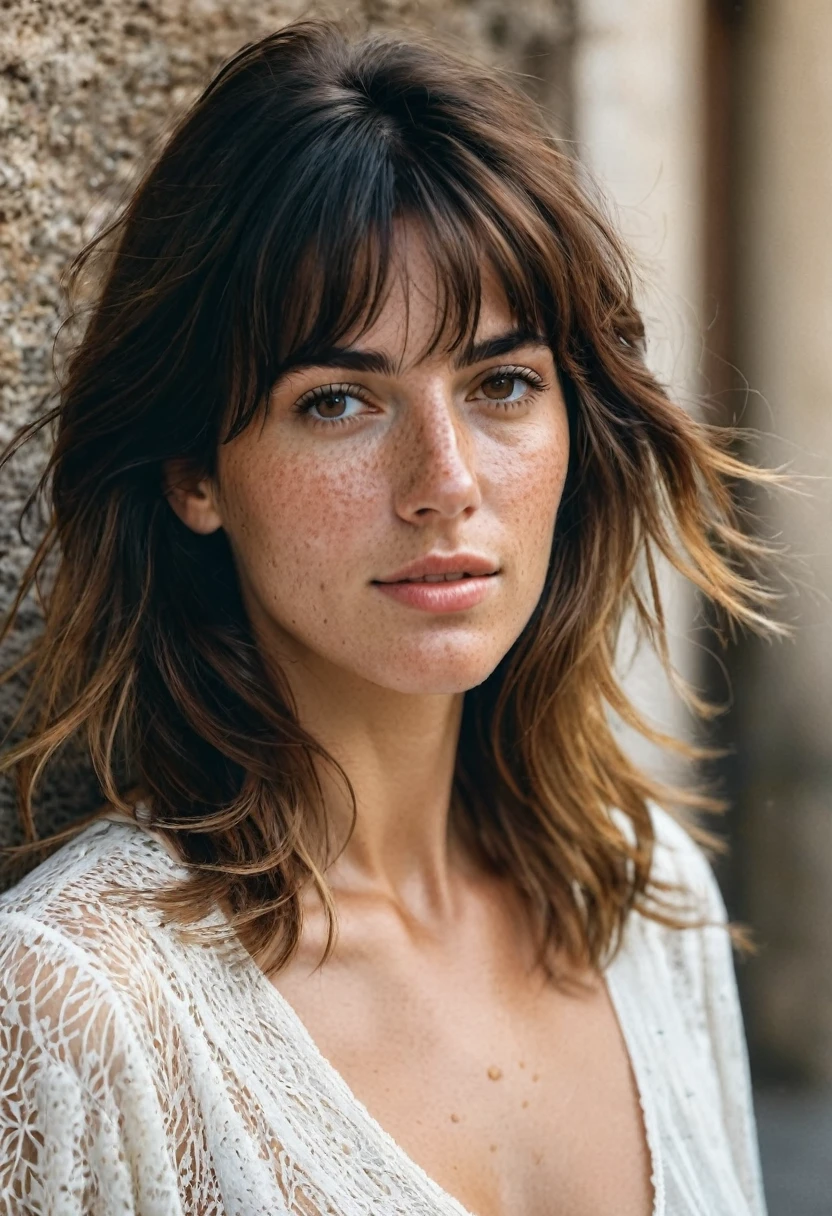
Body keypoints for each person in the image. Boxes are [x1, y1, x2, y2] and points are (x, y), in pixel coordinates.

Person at [0, 16, 776, 1216]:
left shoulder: (645, 901)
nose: (445, 479)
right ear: (194, 473)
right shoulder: (79, 1009)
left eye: (501, 383)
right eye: (338, 401)